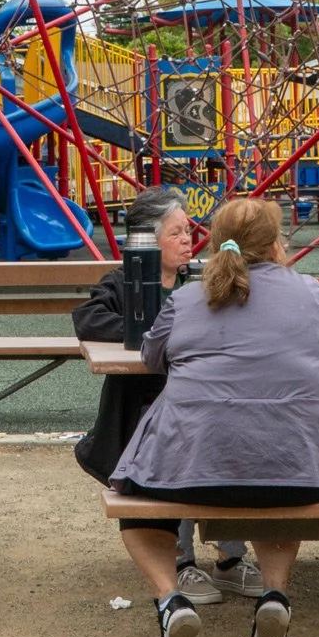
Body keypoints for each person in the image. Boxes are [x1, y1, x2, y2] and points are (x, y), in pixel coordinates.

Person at [109, 198, 319, 637]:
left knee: (133, 502)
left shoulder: (186, 298)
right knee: (278, 489)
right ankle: (275, 594)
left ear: (214, 241)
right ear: (277, 243)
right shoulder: (310, 291)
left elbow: (151, 358)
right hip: (302, 468)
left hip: (193, 466)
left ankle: (171, 601)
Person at [73, 186, 263, 606]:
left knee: (232, 431)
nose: (187, 241)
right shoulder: (123, 282)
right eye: (176, 233)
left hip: (205, 398)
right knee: (174, 434)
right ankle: (181, 561)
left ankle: (231, 558)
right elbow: (88, 320)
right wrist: (150, 332)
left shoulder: (201, 278)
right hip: (147, 403)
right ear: (148, 241)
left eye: (187, 232)